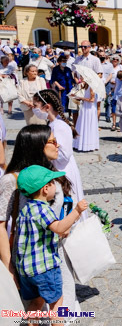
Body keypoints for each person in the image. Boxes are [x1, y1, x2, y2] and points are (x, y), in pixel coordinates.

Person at [0, 125, 85, 316]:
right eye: (53, 141)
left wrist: (64, 225)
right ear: (37, 145)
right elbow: (1, 224)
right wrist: (9, 268)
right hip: (31, 259)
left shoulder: (51, 173)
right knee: (36, 309)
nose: (58, 145)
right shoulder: (12, 180)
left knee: (61, 305)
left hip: (58, 255)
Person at [15, 165, 88, 325]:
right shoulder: (43, 209)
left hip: (27, 270)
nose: (56, 186)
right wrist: (76, 211)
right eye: (53, 182)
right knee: (57, 303)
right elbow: (59, 228)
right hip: (45, 268)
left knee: (37, 302)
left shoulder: (26, 210)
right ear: (45, 188)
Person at [32, 89, 85, 203]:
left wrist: (42, 153)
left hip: (63, 169)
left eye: (35, 105)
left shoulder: (59, 126)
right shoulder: (53, 123)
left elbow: (63, 155)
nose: (33, 108)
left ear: (47, 107)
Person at [72, 75, 99, 152]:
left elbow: (92, 99)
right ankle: (80, 143)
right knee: (82, 125)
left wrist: (81, 98)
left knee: (88, 125)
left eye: (82, 78)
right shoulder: (86, 86)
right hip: (85, 107)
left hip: (89, 109)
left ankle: (88, 144)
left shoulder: (91, 87)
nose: (81, 79)